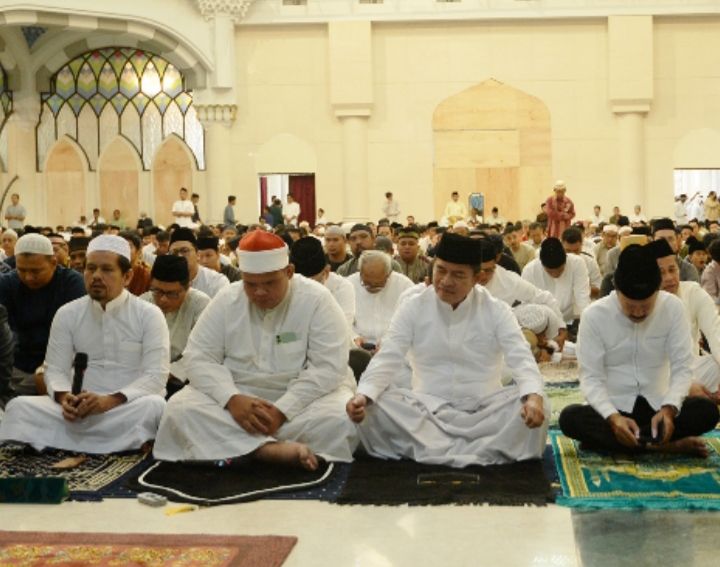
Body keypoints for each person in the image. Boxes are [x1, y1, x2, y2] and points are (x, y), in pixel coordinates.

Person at [153, 230, 358, 468]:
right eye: (251, 284)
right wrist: (231, 399)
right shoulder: (228, 298)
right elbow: (198, 358)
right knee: (180, 410)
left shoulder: (317, 299)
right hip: (239, 394)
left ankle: (240, 447)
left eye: (270, 283)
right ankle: (269, 451)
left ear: (289, 272)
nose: (259, 292)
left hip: (302, 398)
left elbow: (329, 367)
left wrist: (283, 410)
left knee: (339, 419)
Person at [346, 232, 549, 467]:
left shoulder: (497, 310)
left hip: (485, 411)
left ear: (477, 278)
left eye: (458, 274)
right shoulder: (413, 307)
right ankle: (479, 451)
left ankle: (433, 450)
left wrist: (533, 398)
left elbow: (521, 358)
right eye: (441, 270)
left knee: (539, 405)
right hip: (426, 410)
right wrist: (363, 395)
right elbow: (388, 357)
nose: (445, 281)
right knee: (373, 407)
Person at [0, 235, 170, 452]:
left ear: (127, 277)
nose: (96, 276)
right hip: (76, 411)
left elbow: (155, 376)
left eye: (107, 270)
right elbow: (54, 370)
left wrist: (109, 401)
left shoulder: (149, 315)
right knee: (19, 407)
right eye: (91, 269)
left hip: (124, 407)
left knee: (155, 407)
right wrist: (64, 398)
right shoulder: (68, 313)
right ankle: (119, 444)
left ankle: (58, 443)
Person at [559, 245, 719, 456]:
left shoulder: (673, 308)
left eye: (645, 306)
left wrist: (669, 409)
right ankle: (663, 445)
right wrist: (613, 417)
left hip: (659, 407)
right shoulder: (594, 316)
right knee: (570, 418)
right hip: (614, 407)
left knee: (706, 411)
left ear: (656, 290)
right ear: (617, 290)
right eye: (630, 305)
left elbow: (682, 368)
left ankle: (625, 444)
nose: (638, 312)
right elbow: (590, 378)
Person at [0, 234, 86, 406]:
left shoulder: (72, 283)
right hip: (15, 367)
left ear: (54, 263)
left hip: (59, 366)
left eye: (35, 271)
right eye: (22, 270)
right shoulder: (7, 283)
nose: (28, 277)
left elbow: (79, 336)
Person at [141, 255, 210, 395]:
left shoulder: (201, 305)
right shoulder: (142, 303)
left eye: (172, 293)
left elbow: (203, 351)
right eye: (157, 291)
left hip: (185, 380)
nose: (163, 299)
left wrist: (168, 374)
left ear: (188, 287)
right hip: (145, 375)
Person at [348, 250, 413, 353]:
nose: (372, 287)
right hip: (356, 348)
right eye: (367, 283)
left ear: (388, 274)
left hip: (394, 348)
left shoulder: (404, 286)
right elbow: (340, 320)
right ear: (360, 273)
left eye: (378, 284)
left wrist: (389, 342)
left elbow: (410, 323)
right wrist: (353, 337)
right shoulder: (348, 285)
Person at [522, 238, 591, 326]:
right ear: (542, 264)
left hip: (570, 319)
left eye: (560, 270)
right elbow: (527, 305)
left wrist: (587, 323)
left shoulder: (577, 263)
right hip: (542, 323)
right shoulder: (529, 271)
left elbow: (582, 296)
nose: (555, 275)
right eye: (550, 272)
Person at [290, 236, 355, 329]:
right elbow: (279, 336)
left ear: (327, 271)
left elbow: (341, 329)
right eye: (301, 283)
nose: (306, 288)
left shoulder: (342, 287)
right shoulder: (286, 285)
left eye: (312, 283)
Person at [169, 228, 229, 298]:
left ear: (197, 254)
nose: (179, 256)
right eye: (174, 252)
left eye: (184, 251)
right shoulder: (163, 281)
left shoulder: (217, 282)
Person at [337, 224, 401, 277]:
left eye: (363, 237)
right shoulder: (343, 270)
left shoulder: (391, 265)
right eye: (353, 238)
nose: (358, 242)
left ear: (373, 239)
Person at [652, 217, 699, 283]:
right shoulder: (646, 269)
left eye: (670, 239)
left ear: (677, 241)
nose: (666, 244)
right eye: (661, 240)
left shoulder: (689, 270)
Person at [561, 227, 602, 299]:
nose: (572, 255)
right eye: (568, 251)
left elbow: (599, 289)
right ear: (561, 245)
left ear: (581, 245)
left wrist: (582, 288)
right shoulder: (554, 263)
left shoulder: (590, 262)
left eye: (576, 251)